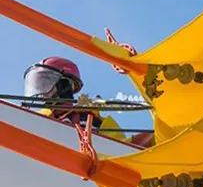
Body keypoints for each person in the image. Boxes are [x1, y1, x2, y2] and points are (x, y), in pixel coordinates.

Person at [23, 57, 154, 147]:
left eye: (46, 83)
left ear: (64, 84)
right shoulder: (37, 119)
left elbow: (122, 150)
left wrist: (158, 133)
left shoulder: (96, 121)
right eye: (38, 85)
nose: (41, 90)